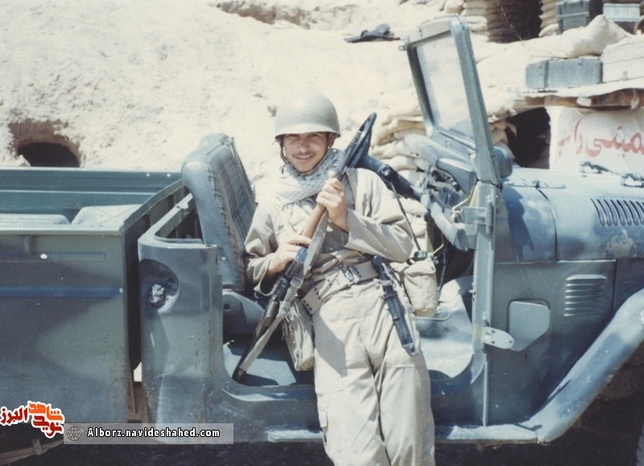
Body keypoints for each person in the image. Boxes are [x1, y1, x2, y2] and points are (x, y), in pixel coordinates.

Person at [244, 89, 435, 466]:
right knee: (356, 451)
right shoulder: (272, 201)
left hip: (384, 304)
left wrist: (348, 220)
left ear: (331, 139)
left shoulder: (363, 183)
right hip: (328, 318)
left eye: (313, 136)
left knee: (409, 440)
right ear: (281, 144)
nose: (303, 147)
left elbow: (402, 245)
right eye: (293, 138)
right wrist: (276, 260)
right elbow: (250, 268)